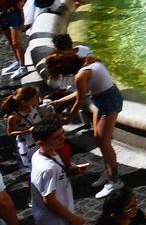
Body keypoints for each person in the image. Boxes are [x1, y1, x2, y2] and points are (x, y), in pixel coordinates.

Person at [45, 52, 124, 197]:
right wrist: (59, 102)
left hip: (109, 103)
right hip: (102, 100)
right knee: (99, 139)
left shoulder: (81, 75)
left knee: (105, 143)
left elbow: (80, 100)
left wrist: (67, 118)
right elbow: (82, 92)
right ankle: (109, 171)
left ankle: (115, 180)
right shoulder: (88, 63)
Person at [30, 121, 90, 225]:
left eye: (63, 133)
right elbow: (50, 201)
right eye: (56, 137)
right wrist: (74, 219)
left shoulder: (40, 154)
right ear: (40, 143)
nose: (63, 138)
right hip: (56, 220)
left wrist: (70, 171)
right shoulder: (48, 168)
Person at [4, 86, 44, 167]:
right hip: (29, 143)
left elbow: (39, 102)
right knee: (36, 165)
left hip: (41, 136)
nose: (36, 99)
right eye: (34, 98)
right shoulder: (14, 116)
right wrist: (28, 130)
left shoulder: (32, 105)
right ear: (23, 102)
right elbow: (10, 133)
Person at [0, 0, 26, 77]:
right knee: (11, 43)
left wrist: (23, 22)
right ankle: (18, 61)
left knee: (16, 43)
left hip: (14, 19)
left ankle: (23, 66)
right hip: (3, 21)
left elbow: (21, 10)